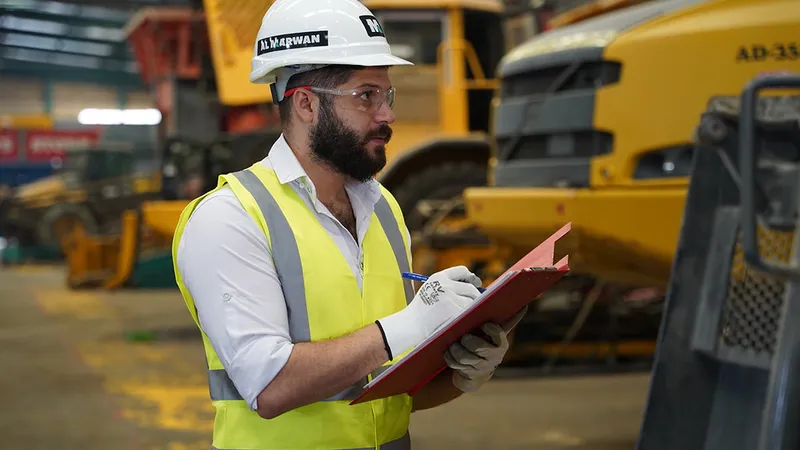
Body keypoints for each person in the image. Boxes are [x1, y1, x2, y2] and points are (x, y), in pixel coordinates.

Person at [171, 0, 526, 448]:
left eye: (387, 94)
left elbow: (385, 394)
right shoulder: (230, 218)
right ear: (305, 104)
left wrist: (462, 371)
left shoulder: (383, 209)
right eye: (366, 96)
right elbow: (270, 386)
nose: (388, 114)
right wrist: (411, 325)